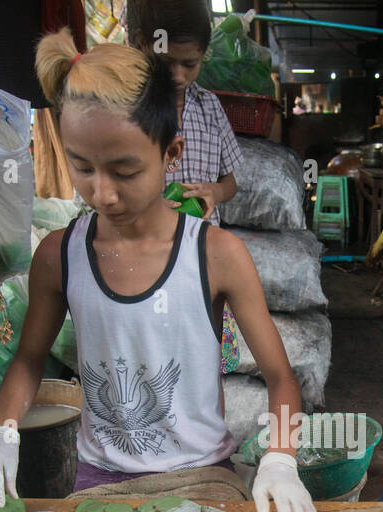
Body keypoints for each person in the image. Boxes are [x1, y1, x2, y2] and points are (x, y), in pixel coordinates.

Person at [0, 31, 317, 512]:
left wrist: (280, 458)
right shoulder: (59, 254)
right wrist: (0, 435)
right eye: (82, 168)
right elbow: (27, 361)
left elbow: (281, 378)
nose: (102, 192)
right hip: (101, 481)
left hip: (202, 477)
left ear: (171, 154)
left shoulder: (216, 255)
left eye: (125, 170)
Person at [128, 0, 245, 373]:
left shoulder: (210, 107)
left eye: (189, 64)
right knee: (154, 363)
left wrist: (215, 192)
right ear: (143, 43)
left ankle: (211, 428)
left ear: (203, 56)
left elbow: (233, 179)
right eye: (166, 63)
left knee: (205, 360)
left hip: (203, 257)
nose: (177, 75)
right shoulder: (131, 108)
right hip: (147, 260)